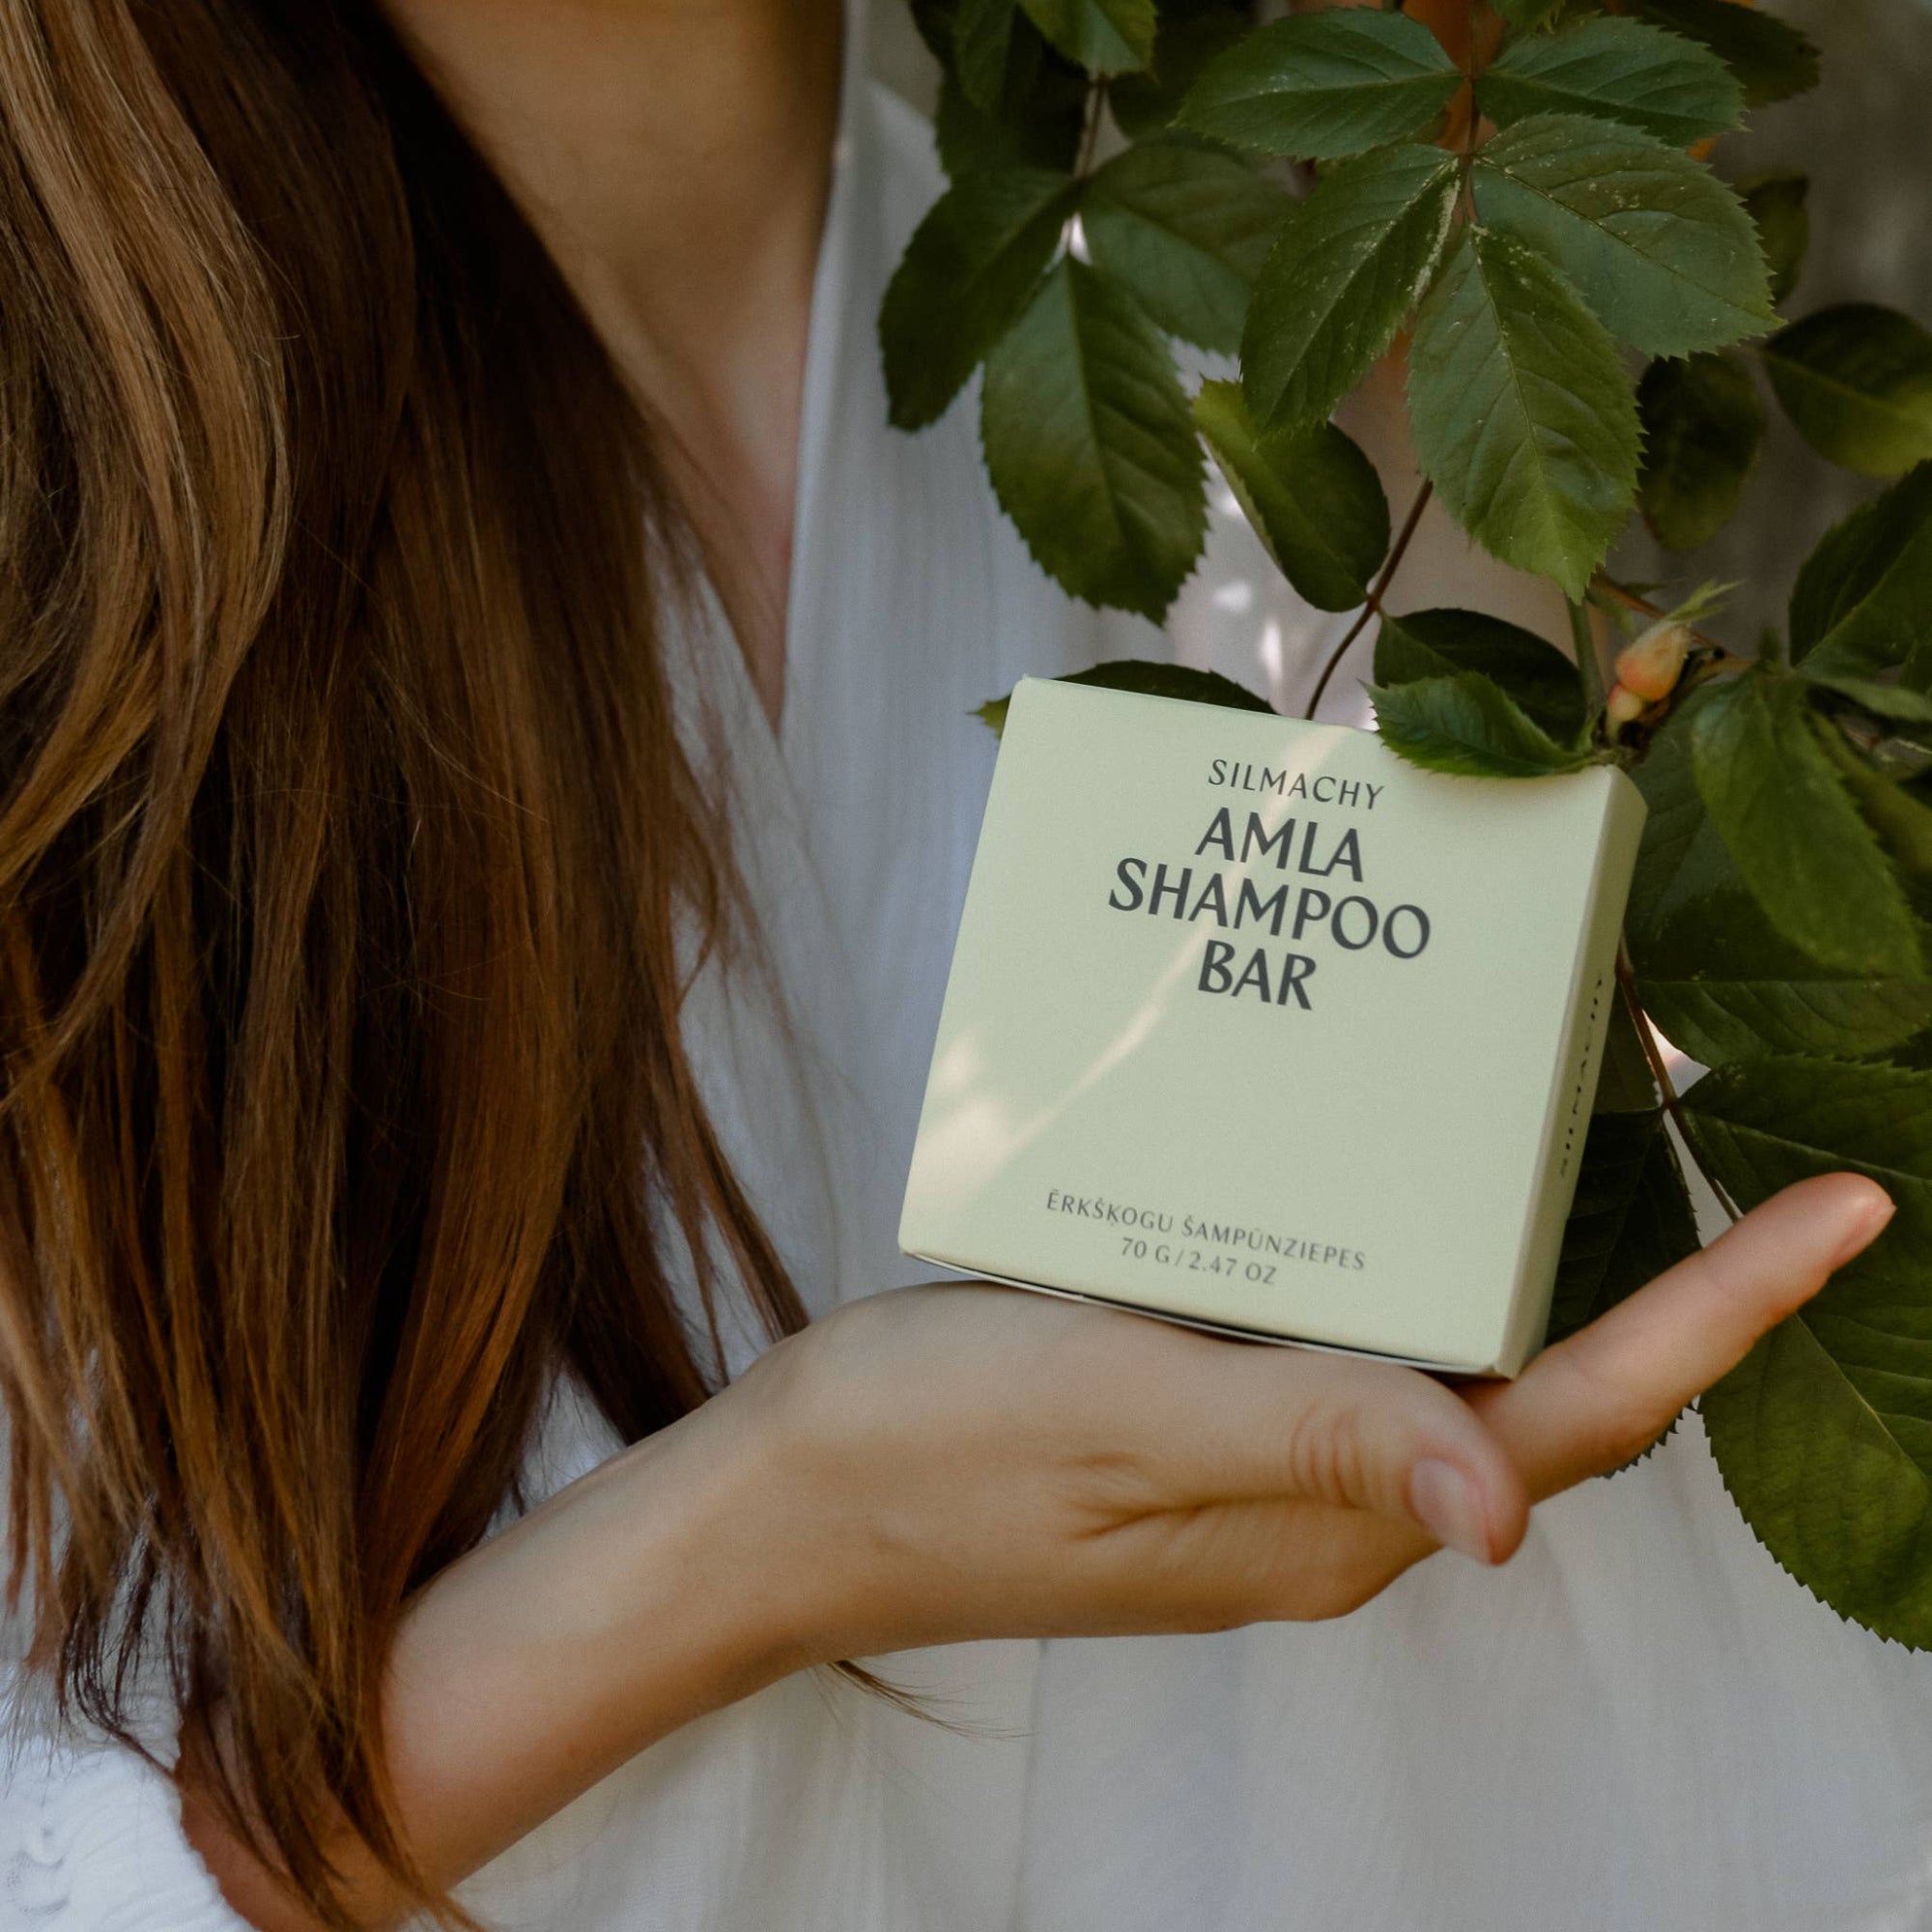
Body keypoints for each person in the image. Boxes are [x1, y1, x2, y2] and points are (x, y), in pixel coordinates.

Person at [0, 3, 1909, 1930]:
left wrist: (1447, 371)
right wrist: (773, 1533)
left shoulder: (1210, 382)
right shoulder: (65, 534)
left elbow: (1328, 1263)